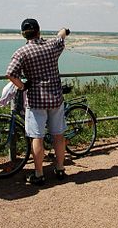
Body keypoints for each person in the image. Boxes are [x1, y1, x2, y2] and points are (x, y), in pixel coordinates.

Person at [6, 18, 70, 185]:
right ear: (39, 31)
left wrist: (22, 87)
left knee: (37, 137)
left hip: (36, 100)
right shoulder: (51, 46)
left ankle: (39, 173)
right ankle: (61, 168)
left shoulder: (22, 52)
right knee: (58, 135)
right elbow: (61, 36)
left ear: (23, 34)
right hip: (55, 98)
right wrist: (64, 29)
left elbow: (11, 73)